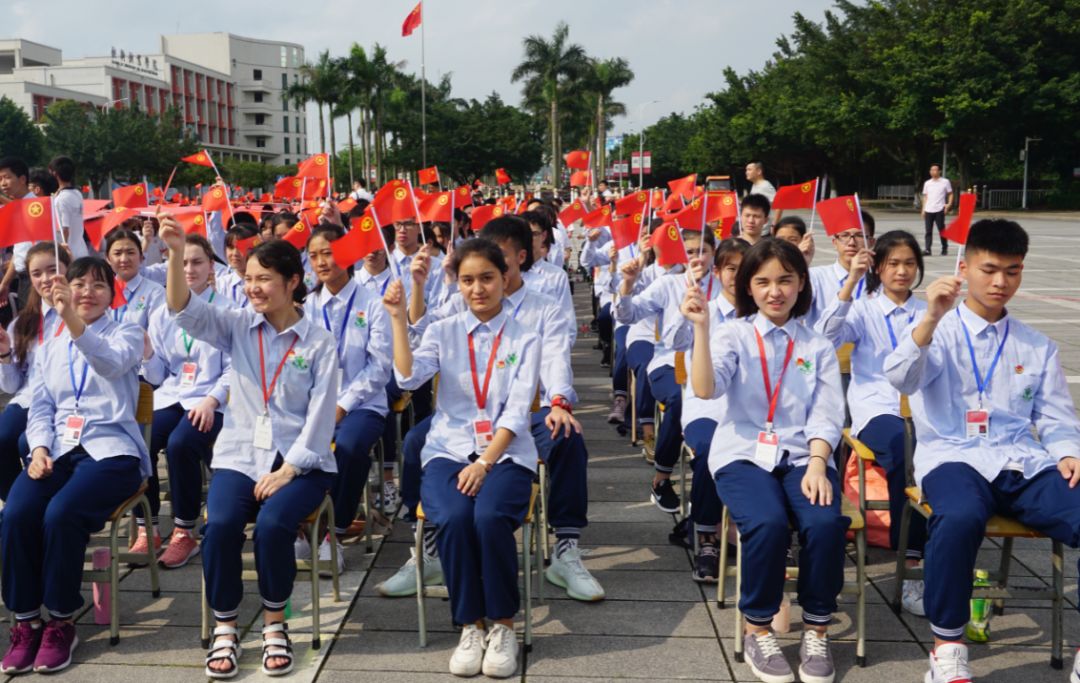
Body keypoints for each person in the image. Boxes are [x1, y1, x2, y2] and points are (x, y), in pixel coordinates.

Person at [884, 219, 1080, 683]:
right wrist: (930, 315)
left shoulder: (1038, 347)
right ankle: (948, 645)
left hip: (1020, 461)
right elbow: (899, 379)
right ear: (964, 267)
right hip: (954, 457)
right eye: (989, 269)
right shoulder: (936, 329)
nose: (1000, 283)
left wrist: (1068, 450)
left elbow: (1054, 418)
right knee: (959, 517)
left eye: (1012, 271)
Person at [158, 215, 338, 678]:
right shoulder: (238, 325)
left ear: (293, 281)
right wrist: (177, 253)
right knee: (218, 526)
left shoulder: (318, 342)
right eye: (249, 278)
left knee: (275, 524)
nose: (254, 288)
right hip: (241, 453)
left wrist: (289, 469)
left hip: (303, 461)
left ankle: (276, 624)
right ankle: (225, 627)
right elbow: (183, 308)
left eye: (265, 279)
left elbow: (320, 420)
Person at [685, 238, 847, 683]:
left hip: (802, 456)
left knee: (825, 522)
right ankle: (757, 626)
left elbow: (828, 412)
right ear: (748, 288)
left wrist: (818, 463)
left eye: (785, 280)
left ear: (800, 285)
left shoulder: (817, 345)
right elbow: (706, 389)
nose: (775, 291)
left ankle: (817, 626)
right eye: (763, 282)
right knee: (768, 522)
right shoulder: (733, 333)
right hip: (742, 453)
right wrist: (700, 329)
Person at [384, 238, 540, 678]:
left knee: (489, 517)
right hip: (449, 449)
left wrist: (485, 462)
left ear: (504, 278)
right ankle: (470, 624)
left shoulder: (525, 334)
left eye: (487, 278)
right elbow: (408, 376)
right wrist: (398, 319)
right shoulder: (442, 330)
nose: (478, 289)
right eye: (468, 280)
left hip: (506, 454)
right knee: (452, 517)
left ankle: (504, 624)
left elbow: (516, 410)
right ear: (456, 282)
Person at [0, 257, 149, 674]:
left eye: (97, 285)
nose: (87, 292)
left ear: (112, 292)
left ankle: (62, 619)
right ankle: (27, 619)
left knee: (61, 514)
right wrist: (41, 448)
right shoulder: (52, 345)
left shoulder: (127, 330)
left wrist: (68, 316)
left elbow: (109, 363)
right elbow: (41, 407)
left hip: (112, 450)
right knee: (17, 512)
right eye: (79, 283)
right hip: (61, 449)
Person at [815, 230, 928, 615]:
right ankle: (910, 561)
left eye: (909, 263)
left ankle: (942, 552)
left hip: (923, 409)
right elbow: (825, 336)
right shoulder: (862, 308)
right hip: (878, 410)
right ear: (878, 267)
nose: (901, 271)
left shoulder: (929, 310)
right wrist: (849, 282)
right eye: (893, 263)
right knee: (904, 450)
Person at [300, 224, 391, 572]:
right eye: (314, 255)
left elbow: (379, 367)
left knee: (351, 447)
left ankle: (333, 534)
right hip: (314, 402)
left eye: (329, 252)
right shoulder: (307, 306)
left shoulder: (373, 303)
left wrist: (342, 404)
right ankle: (299, 526)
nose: (322, 261)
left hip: (362, 404)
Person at [141, 234, 231, 569]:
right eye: (181, 263)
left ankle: (184, 529)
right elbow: (157, 374)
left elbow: (235, 369)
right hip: (175, 394)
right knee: (140, 437)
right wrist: (148, 354)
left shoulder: (225, 311)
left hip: (214, 400)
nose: (189, 269)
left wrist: (211, 400)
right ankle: (145, 525)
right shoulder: (163, 312)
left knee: (181, 444)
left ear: (211, 267)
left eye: (196, 262)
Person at [617, 228, 718, 513]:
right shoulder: (668, 284)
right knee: (680, 398)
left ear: (713, 253)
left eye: (703, 251)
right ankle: (662, 477)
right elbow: (628, 315)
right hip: (670, 362)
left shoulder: (724, 287)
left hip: (715, 364)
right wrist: (627, 284)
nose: (697, 258)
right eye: (690, 252)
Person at [668, 238, 748, 581]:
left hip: (750, 410)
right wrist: (686, 310)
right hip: (708, 406)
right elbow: (674, 341)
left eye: (746, 269)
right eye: (730, 268)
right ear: (718, 271)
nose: (737, 276)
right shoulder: (706, 307)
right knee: (709, 449)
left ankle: (770, 532)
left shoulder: (765, 314)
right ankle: (707, 536)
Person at [0, 243, 71, 500]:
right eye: (36, 273)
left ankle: (42, 502)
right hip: (31, 398)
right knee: (2, 436)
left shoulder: (83, 314)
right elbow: (11, 387)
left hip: (69, 399)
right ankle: (13, 506)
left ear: (67, 269)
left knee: (26, 442)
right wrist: (5, 354)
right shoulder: (22, 323)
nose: (45, 279)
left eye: (52, 270)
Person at [806, 211, 876, 328]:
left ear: (871, 242)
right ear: (835, 242)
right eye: (844, 235)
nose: (851, 242)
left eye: (859, 235)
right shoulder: (815, 277)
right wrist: (801, 264)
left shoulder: (881, 282)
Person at [104, 228, 166, 332]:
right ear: (108, 259)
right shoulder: (102, 291)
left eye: (130, 252)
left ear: (141, 257)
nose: (124, 259)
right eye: (117, 253)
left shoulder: (155, 292)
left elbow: (159, 334)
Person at [0, 157, 35, 311]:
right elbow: (19, 252)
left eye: (7, 177)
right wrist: (5, 283)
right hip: (23, 279)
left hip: (34, 280)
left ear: (22, 179)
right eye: (0, 179)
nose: (3, 183)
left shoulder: (36, 209)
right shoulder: (19, 208)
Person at [48, 157, 88, 259]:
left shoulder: (61, 199)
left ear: (55, 174)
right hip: (81, 249)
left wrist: (63, 252)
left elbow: (65, 228)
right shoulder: (77, 193)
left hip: (70, 254)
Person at [921, 163, 953, 256]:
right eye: (931, 170)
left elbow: (950, 193)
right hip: (929, 209)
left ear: (939, 171)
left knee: (941, 230)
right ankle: (927, 249)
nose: (933, 171)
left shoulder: (945, 182)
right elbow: (925, 197)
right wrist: (923, 209)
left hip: (939, 209)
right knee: (928, 231)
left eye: (935, 170)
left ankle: (944, 248)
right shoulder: (927, 183)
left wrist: (948, 204)